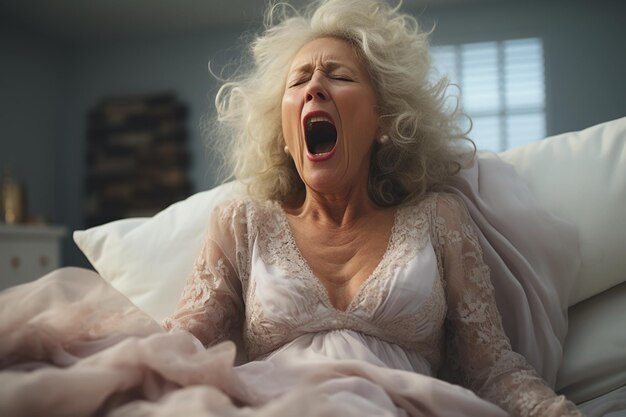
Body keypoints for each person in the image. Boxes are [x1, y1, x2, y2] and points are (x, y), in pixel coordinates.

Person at [163, 0, 583, 416]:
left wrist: (551, 411)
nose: (314, 88)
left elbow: (490, 368)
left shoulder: (438, 219)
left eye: (338, 75)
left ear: (384, 122)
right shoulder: (242, 223)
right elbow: (182, 346)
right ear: (285, 137)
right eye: (299, 81)